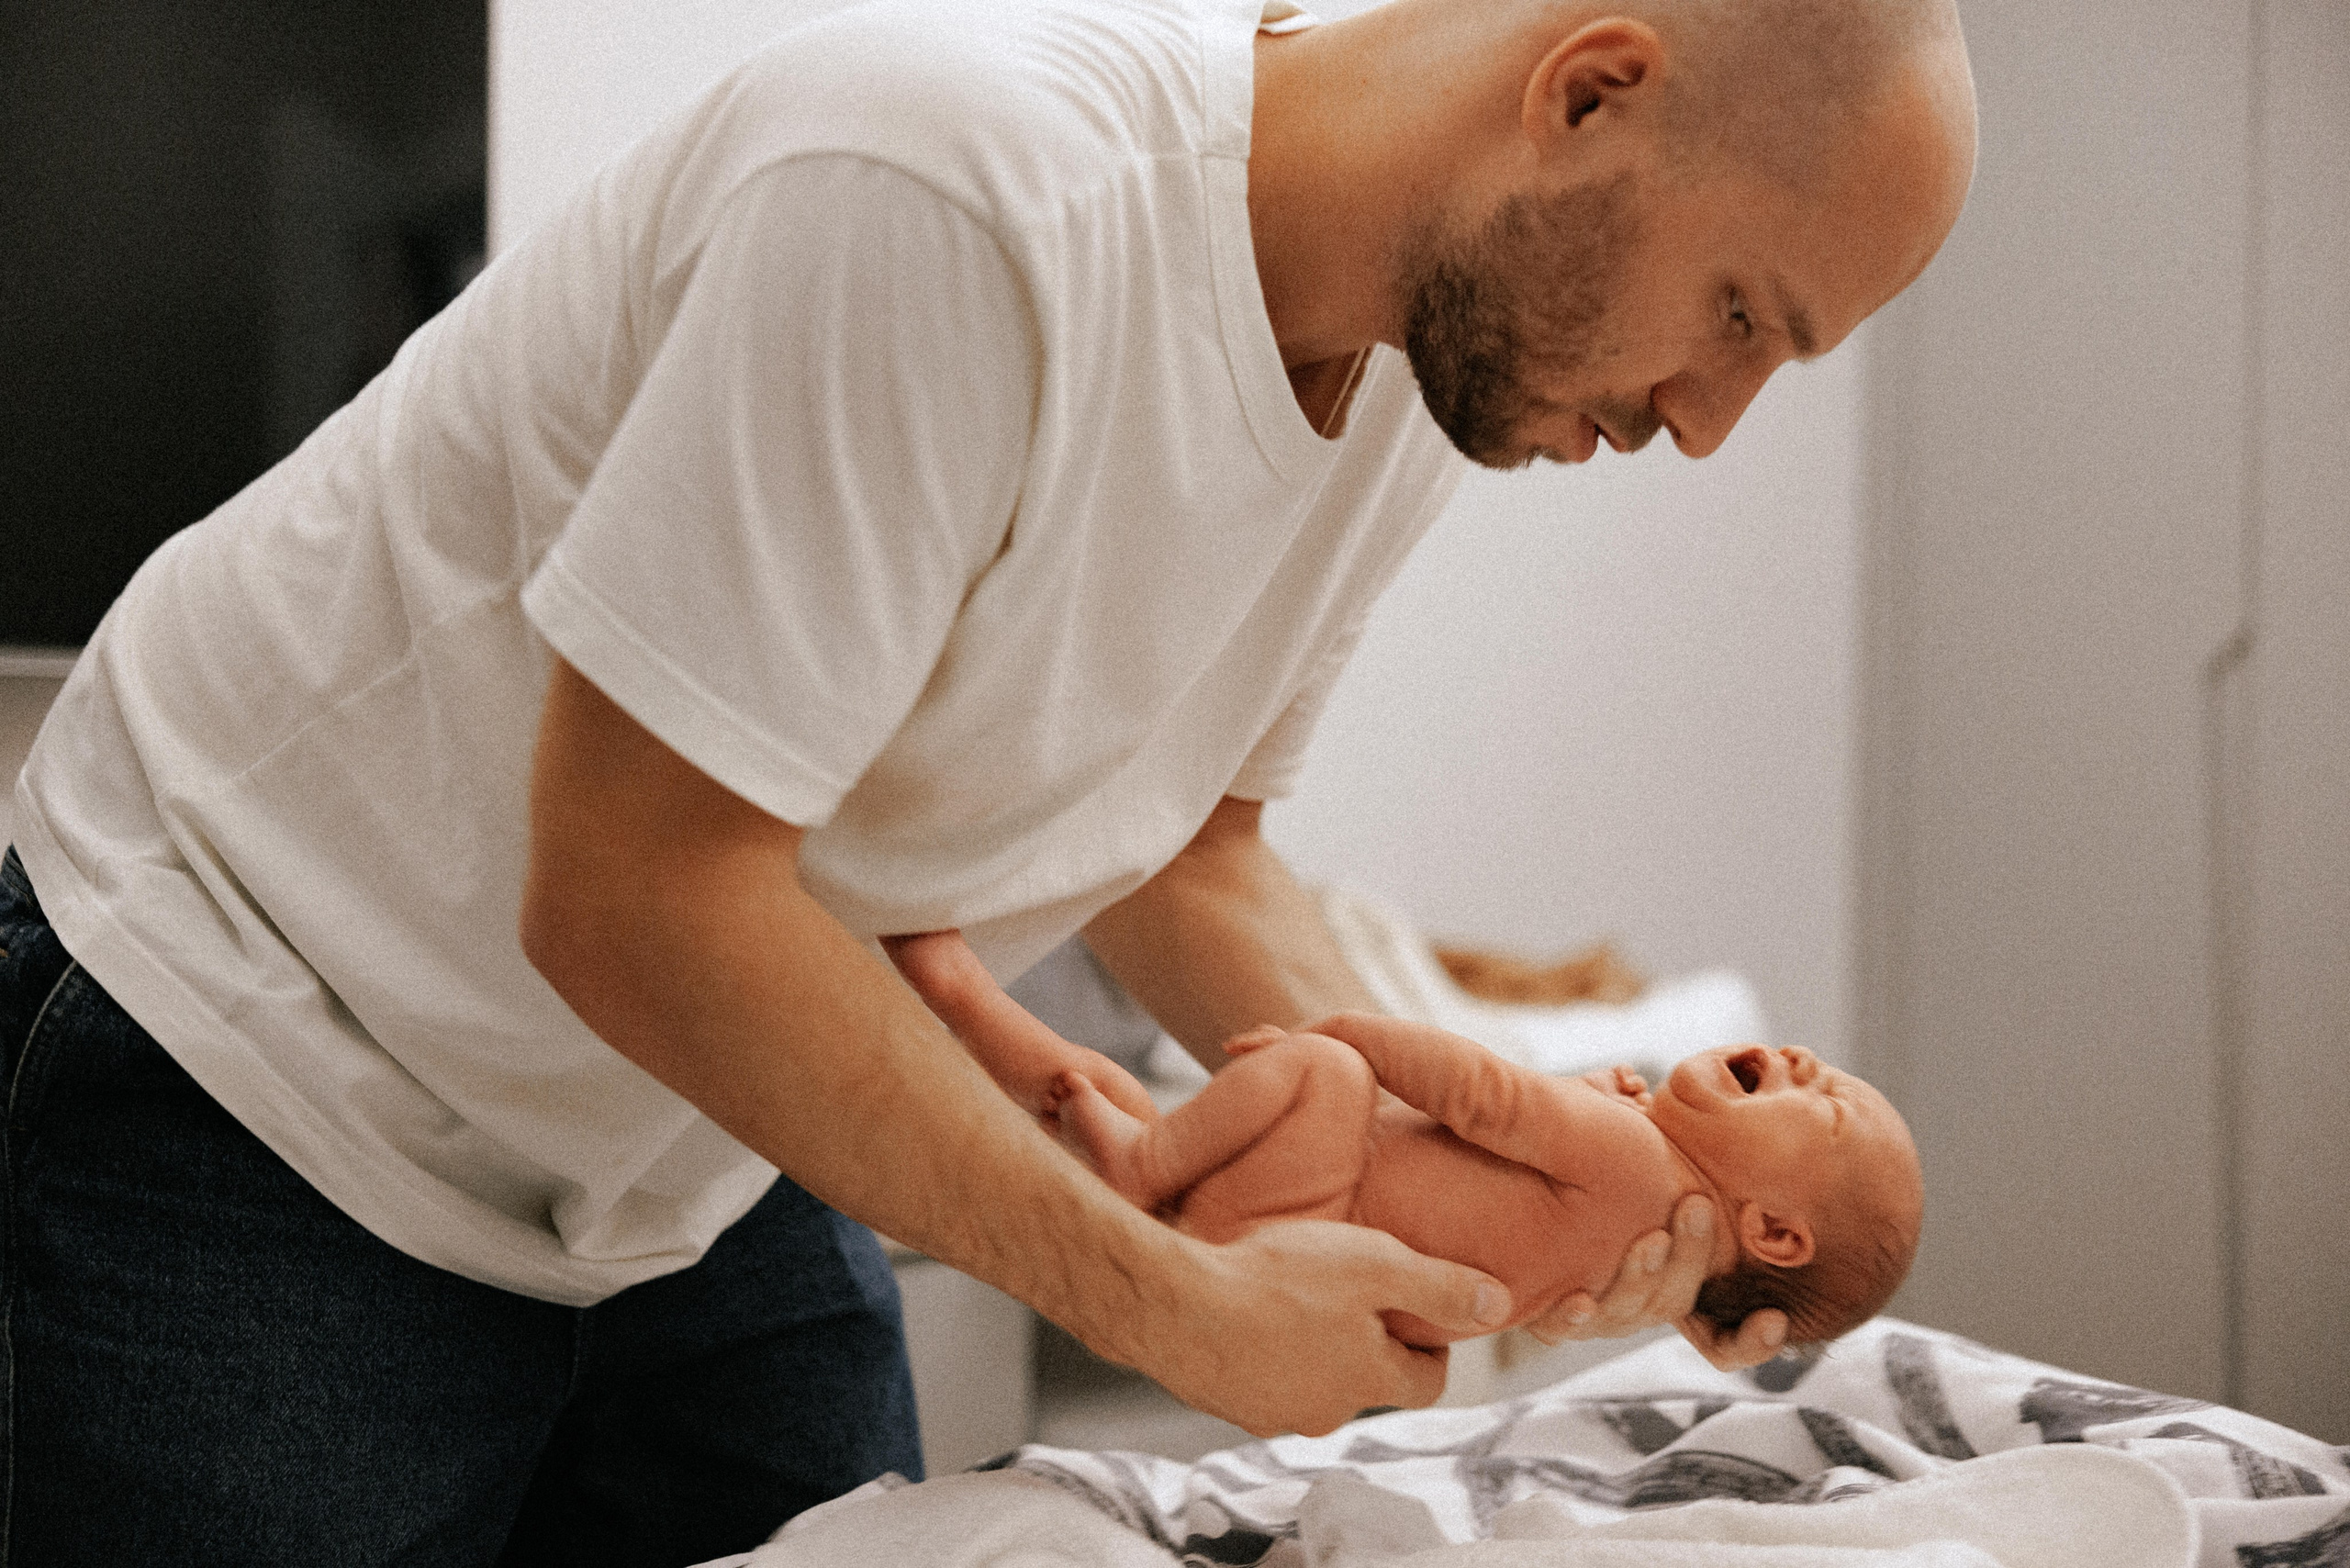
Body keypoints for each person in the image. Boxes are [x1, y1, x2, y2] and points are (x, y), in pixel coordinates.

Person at [1, 0, 1976, 1560]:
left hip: (668, 1137)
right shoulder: (951, 194)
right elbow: (634, 891)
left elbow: (1194, 854)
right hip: (263, 1056)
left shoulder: (1406, 369)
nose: (1707, 422)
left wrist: (1489, 1193)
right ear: (1588, 95)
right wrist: (1166, 1302)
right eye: (1739, 315)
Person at [890, 931, 1921, 1349]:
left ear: (1775, 1232)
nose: (1801, 1057)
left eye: (1824, 1101)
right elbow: (1504, 1192)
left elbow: (1483, 1097)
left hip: (1308, 1221)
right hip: (1317, 1268)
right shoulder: (1634, 1222)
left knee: (1328, 1077)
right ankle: (959, 994)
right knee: (1095, 1089)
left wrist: (1347, 1036)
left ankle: (1139, 1162)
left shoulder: (1637, 1162)